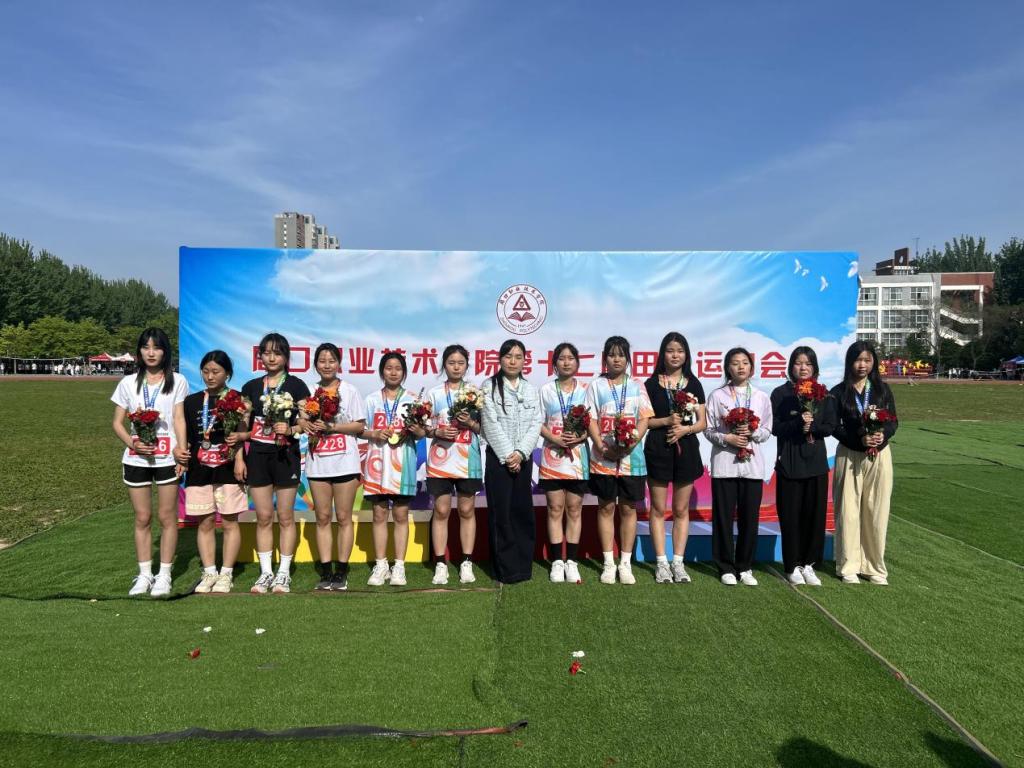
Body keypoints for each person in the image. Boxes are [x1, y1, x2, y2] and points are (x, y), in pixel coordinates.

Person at [110, 328, 188, 597]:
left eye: (157, 347)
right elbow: (117, 423)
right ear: (139, 351)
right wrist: (133, 444)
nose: (151, 353)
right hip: (136, 458)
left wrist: (182, 450)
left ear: (165, 351)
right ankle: (144, 574)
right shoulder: (128, 383)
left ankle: (164, 575)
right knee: (142, 517)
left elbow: (179, 418)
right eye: (146, 347)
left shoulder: (177, 380)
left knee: (167, 516)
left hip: (167, 457)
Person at [237, 333, 311, 594]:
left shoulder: (297, 386)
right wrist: (239, 457)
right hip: (257, 456)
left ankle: (283, 573)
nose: (271, 358)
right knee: (264, 516)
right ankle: (266, 573)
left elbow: (306, 422)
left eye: (277, 353)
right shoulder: (251, 387)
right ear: (259, 356)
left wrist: (290, 429)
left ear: (286, 357)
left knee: (286, 516)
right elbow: (242, 426)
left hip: (285, 456)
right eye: (266, 353)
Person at [586, 336, 653, 586]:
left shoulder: (637, 385)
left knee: (628, 508)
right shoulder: (596, 385)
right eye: (612, 355)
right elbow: (591, 419)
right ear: (605, 358)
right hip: (603, 458)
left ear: (628, 359)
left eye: (621, 355)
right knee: (605, 508)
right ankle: (608, 562)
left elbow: (644, 418)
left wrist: (630, 444)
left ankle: (625, 563)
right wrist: (601, 446)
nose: (616, 359)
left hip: (631, 459)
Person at [830, 341, 898, 585]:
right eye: (858, 360)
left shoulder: (882, 390)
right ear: (849, 362)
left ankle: (874, 567)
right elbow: (833, 427)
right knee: (847, 511)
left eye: (867, 360)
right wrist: (858, 439)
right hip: (849, 454)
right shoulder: (839, 392)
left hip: (879, 456)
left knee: (876, 510)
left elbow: (893, 422)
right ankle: (848, 565)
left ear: (874, 363)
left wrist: (882, 436)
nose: (862, 365)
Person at [704, 347, 773, 586]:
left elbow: (767, 430)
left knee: (749, 519)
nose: (740, 367)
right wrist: (727, 438)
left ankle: (745, 566)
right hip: (725, 466)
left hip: (752, 468)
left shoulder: (761, 397)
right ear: (727, 368)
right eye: (735, 363)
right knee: (723, 518)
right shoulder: (717, 396)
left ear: (751, 368)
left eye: (745, 362)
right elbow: (708, 430)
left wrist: (752, 432)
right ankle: (725, 567)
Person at [181, 351, 248, 594]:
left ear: (227, 373)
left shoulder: (238, 399)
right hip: (199, 468)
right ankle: (209, 572)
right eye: (206, 371)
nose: (210, 376)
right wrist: (181, 456)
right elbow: (189, 436)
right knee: (205, 521)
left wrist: (239, 460)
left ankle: (226, 574)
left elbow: (241, 433)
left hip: (228, 468)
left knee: (229, 521)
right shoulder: (191, 401)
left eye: (216, 372)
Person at [643, 332, 706, 584]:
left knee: (681, 509)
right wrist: (667, 421)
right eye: (670, 350)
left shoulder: (694, 384)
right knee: (658, 509)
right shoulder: (650, 384)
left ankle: (678, 563)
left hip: (686, 448)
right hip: (658, 448)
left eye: (680, 351)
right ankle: (661, 563)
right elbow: (645, 422)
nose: (675, 355)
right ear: (662, 354)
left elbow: (702, 422)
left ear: (686, 355)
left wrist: (684, 430)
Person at [770, 346, 835, 587]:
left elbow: (830, 426)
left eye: (808, 363)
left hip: (816, 464)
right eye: (798, 363)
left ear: (815, 367)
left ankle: (810, 564)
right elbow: (775, 427)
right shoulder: (781, 394)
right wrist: (798, 422)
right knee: (791, 517)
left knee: (814, 517)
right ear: (791, 366)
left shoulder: (823, 394)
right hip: (790, 463)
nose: (803, 367)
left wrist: (813, 426)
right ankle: (792, 565)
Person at [303, 343, 366, 592]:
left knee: (343, 517)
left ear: (339, 364)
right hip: (318, 462)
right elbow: (300, 421)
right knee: (322, 517)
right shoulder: (309, 391)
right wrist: (306, 423)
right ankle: (326, 571)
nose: (327, 365)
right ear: (315, 364)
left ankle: (341, 571)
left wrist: (332, 428)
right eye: (322, 360)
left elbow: (359, 426)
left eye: (331, 360)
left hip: (345, 463)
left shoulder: (350, 391)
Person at [480, 339, 542, 584]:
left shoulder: (530, 389)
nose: (513, 361)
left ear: (525, 360)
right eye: (508, 356)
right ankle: (505, 569)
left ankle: (523, 566)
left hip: (523, 460)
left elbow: (536, 423)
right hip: (499, 460)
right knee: (501, 513)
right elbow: (490, 423)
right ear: (500, 359)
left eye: (518, 356)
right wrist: (508, 455)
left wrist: (521, 453)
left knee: (522, 511)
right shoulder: (489, 387)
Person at [361, 352, 425, 586]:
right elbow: (360, 430)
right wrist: (375, 433)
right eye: (389, 368)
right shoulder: (371, 400)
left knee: (400, 515)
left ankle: (399, 566)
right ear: (382, 372)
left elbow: (422, 433)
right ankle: (381, 565)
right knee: (379, 514)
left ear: (404, 372)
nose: (393, 372)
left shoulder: (413, 400)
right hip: (377, 465)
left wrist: (416, 430)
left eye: (398, 368)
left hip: (402, 465)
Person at [426, 344, 483, 585]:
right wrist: (437, 431)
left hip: (468, 459)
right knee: (441, 510)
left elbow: (484, 429)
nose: (456, 367)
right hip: (440, 459)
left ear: (467, 366)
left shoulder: (475, 394)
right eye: (451, 363)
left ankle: (466, 562)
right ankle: (441, 563)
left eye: (461, 363)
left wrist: (470, 423)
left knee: (466, 510)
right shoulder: (434, 394)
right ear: (444, 365)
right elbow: (423, 427)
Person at [538, 342, 590, 584]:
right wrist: (555, 439)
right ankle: (557, 561)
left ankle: (572, 562)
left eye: (571, 358)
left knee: (574, 509)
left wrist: (579, 437)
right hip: (553, 455)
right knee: (555, 508)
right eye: (561, 358)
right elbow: (539, 422)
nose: (566, 362)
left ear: (577, 363)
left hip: (578, 457)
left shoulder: (586, 390)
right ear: (554, 364)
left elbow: (593, 424)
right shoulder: (546, 390)